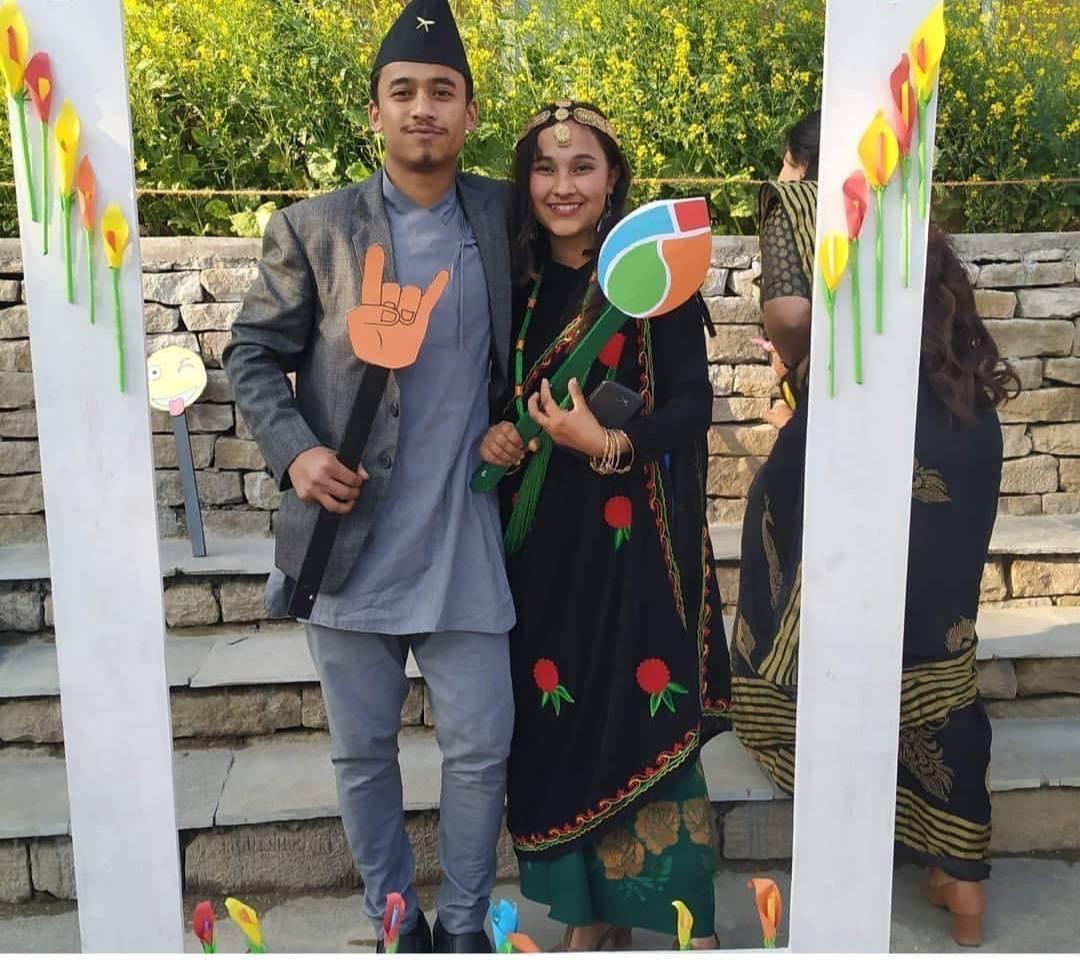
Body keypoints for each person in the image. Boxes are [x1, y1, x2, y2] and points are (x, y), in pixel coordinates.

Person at [223, 0, 516, 953]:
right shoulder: (314, 228)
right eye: (404, 93)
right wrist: (297, 451)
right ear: (376, 114)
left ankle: (466, 927)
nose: (422, 108)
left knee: (480, 747)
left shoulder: (502, 216)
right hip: (348, 543)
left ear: (470, 115)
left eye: (442, 92)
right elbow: (253, 354)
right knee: (362, 755)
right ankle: (395, 924)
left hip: (465, 539)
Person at [732, 140, 1018, 945]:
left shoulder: (799, 202)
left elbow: (791, 318)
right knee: (934, 635)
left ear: (803, 158)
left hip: (864, 427)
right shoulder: (906, 205)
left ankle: (852, 831)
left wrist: (795, 359)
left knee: (825, 618)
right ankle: (962, 880)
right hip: (958, 429)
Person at [479, 101, 732, 951]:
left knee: (639, 707)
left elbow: (694, 408)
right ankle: (588, 917)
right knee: (557, 715)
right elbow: (488, 397)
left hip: (635, 552)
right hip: (538, 553)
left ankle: (674, 917)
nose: (562, 185)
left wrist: (609, 440)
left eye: (582, 167)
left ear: (612, 176)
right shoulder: (507, 282)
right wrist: (497, 431)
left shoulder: (652, 277)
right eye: (545, 170)